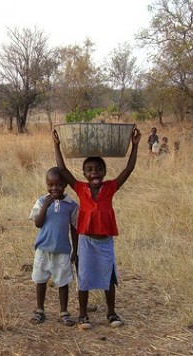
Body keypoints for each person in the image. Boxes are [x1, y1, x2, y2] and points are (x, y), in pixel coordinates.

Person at [53, 126, 141, 329]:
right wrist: (57, 146)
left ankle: (111, 312)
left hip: (105, 242)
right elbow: (63, 170)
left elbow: (128, 169)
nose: (95, 173)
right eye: (90, 170)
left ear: (104, 172)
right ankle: (83, 315)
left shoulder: (110, 187)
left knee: (108, 277)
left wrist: (134, 146)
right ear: (84, 173)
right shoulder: (80, 188)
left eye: (99, 169)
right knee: (83, 277)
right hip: (86, 241)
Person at [29, 167, 79, 326]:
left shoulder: (71, 205)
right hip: (43, 249)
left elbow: (75, 229)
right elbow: (38, 223)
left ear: (65, 185)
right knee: (40, 279)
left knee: (63, 281)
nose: (54, 188)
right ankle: (39, 310)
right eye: (50, 185)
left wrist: (75, 250)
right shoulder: (42, 201)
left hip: (62, 250)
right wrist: (45, 206)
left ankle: (64, 311)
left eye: (58, 185)